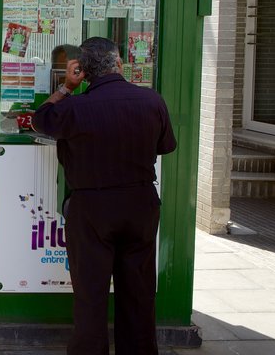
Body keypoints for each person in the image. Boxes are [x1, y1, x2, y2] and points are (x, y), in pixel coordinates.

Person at [31, 37, 176, 355]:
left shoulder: (73, 107)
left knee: (91, 292)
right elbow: (167, 146)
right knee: (138, 291)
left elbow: (40, 119)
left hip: (92, 208)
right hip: (140, 204)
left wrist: (67, 86)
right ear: (119, 64)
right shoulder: (152, 101)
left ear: (83, 71)